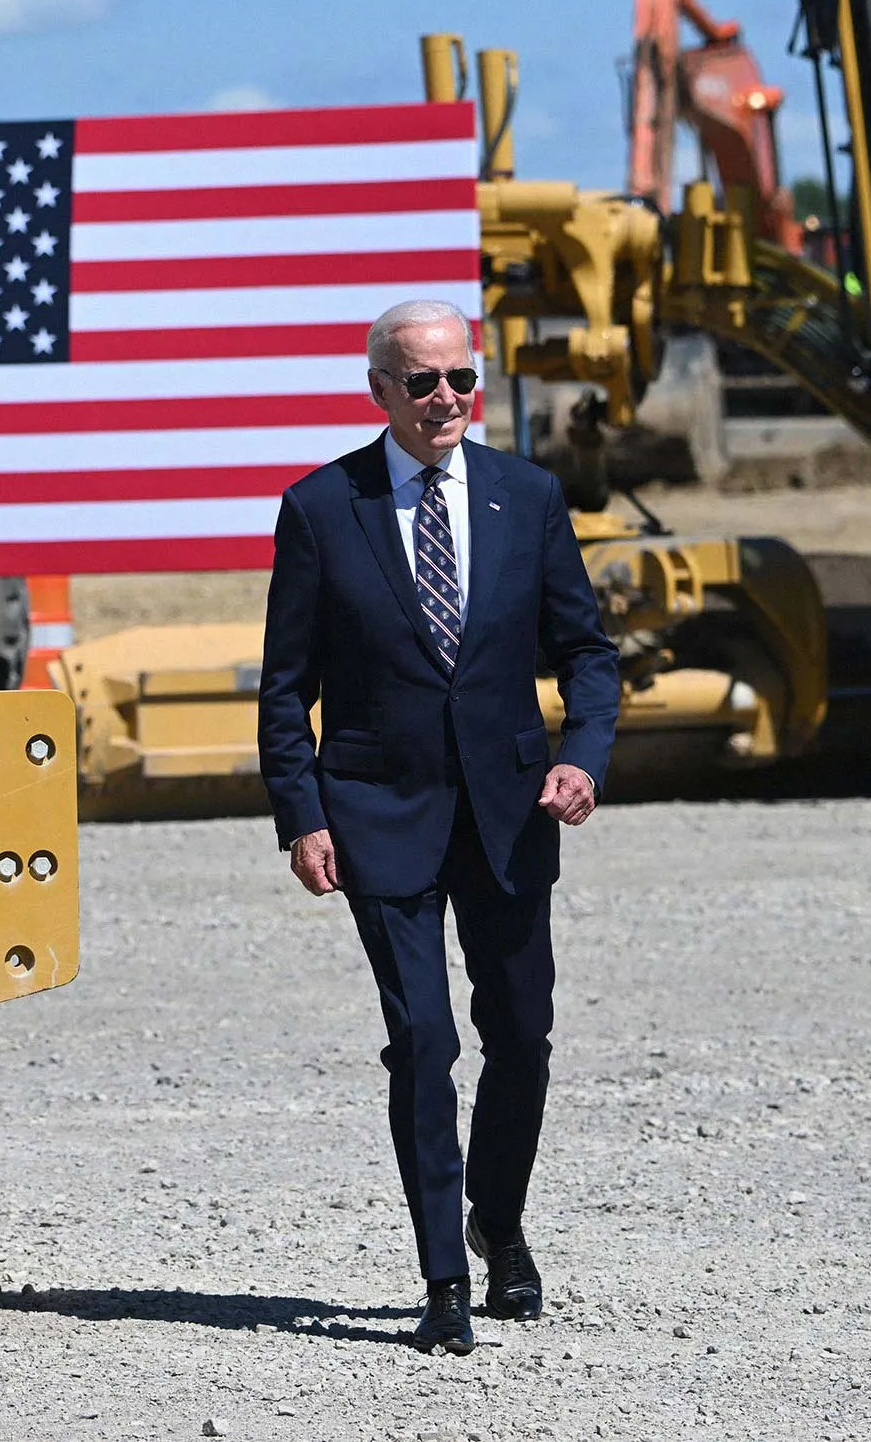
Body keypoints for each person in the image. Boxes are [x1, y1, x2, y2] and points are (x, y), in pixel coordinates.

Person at [256, 299, 621, 1354]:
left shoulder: (528, 496)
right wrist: (302, 817)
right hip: (379, 815)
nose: (446, 399)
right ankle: (443, 1278)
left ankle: (495, 1218)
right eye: (422, 383)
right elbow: (287, 690)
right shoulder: (325, 508)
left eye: (461, 379)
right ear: (379, 390)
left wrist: (579, 758)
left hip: (510, 813)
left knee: (521, 1038)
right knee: (422, 1040)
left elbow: (587, 654)